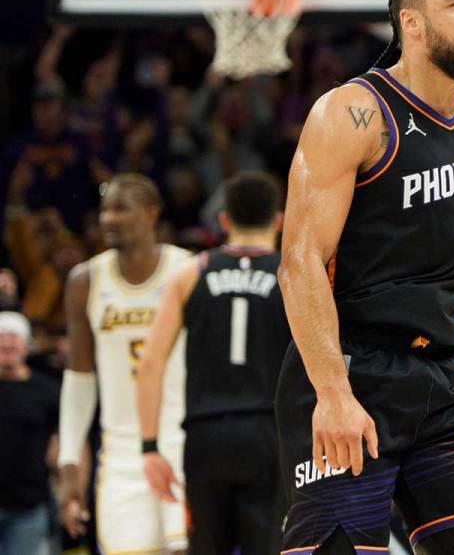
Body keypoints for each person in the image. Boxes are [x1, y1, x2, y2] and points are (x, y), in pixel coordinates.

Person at [274, 0, 454, 554]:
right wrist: (333, 394)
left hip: (441, 382)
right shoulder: (353, 114)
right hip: (350, 369)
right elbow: (300, 263)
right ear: (411, 23)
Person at [136, 171, 290, 555]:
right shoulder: (292, 276)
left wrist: (149, 446)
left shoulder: (192, 272)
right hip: (269, 433)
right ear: (278, 221)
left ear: (223, 220)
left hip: (206, 434)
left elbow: (150, 363)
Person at [57, 174, 191, 554]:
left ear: (151, 213)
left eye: (121, 209)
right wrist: (69, 460)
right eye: (104, 210)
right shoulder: (85, 281)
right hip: (121, 451)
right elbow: (79, 377)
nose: (108, 219)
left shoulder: (187, 270)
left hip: (183, 437)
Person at [0, 311, 57, 555]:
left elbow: (61, 443)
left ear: (26, 345)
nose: (7, 344)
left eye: (14, 338)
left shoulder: (47, 390)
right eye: (1, 338)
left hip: (29, 506)